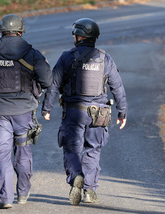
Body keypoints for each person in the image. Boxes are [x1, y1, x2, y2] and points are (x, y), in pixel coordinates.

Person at [41, 17, 128, 206]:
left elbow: (54, 84)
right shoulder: (105, 58)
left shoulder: (66, 57)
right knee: (93, 150)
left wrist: (46, 108)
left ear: (79, 36)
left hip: (74, 111)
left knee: (71, 148)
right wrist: (122, 113)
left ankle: (76, 175)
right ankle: (89, 190)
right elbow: (118, 87)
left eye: (75, 33)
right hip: (99, 113)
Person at [0, 14, 53, 209]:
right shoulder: (33, 54)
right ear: (20, 31)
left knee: (2, 154)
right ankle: (23, 193)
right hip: (24, 113)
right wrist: (34, 92)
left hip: (0, 112)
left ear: (2, 31)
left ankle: (5, 198)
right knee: (23, 152)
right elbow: (47, 81)